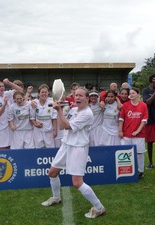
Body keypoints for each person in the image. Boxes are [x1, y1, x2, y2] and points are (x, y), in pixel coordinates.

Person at [41, 87, 106, 219]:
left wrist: (59, 110)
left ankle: (99, 208)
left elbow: (67, 126)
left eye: (81, 96)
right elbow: (61, 126)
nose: (77, 98)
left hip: (78, 147)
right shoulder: (74, 109)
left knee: (77, 183)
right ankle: (56, 198)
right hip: (66, 144)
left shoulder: (87, 113)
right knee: (52, 172)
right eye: (76, 95)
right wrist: (60, 111)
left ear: (87, 99)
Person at [119, 88, 148, 179]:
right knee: (126, 153)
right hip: (127, 134)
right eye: (130, 93)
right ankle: (127, 170)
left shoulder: (143, 105)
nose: (131, 95)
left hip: (139, 135)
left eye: (133, 93)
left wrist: (137, 131)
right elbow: (121, 119)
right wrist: (120, 130)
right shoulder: (125, 105)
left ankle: (140, 171)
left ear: (138, 94)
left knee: (139, 153)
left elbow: (144, 120)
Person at [0, 80, 21, 149]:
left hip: (10, 126)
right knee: (2, 148)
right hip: (0, 127)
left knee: (11, 147)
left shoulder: (7, 94)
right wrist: (4, 104)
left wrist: (9, 82)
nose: (2, 88)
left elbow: (20, 90)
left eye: (3, 86)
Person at [30, 84, 57, 148]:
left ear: (48, 93)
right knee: (38, 150)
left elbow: (54, 118)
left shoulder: (52, 102)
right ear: (39, 94)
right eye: (42, 92)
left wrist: (55, 131)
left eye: (45, 92)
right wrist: (35, 124)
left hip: (49, 131)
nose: (44, 94)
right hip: (38, 131)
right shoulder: (34, 103)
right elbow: (32, 118)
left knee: (50, 150)